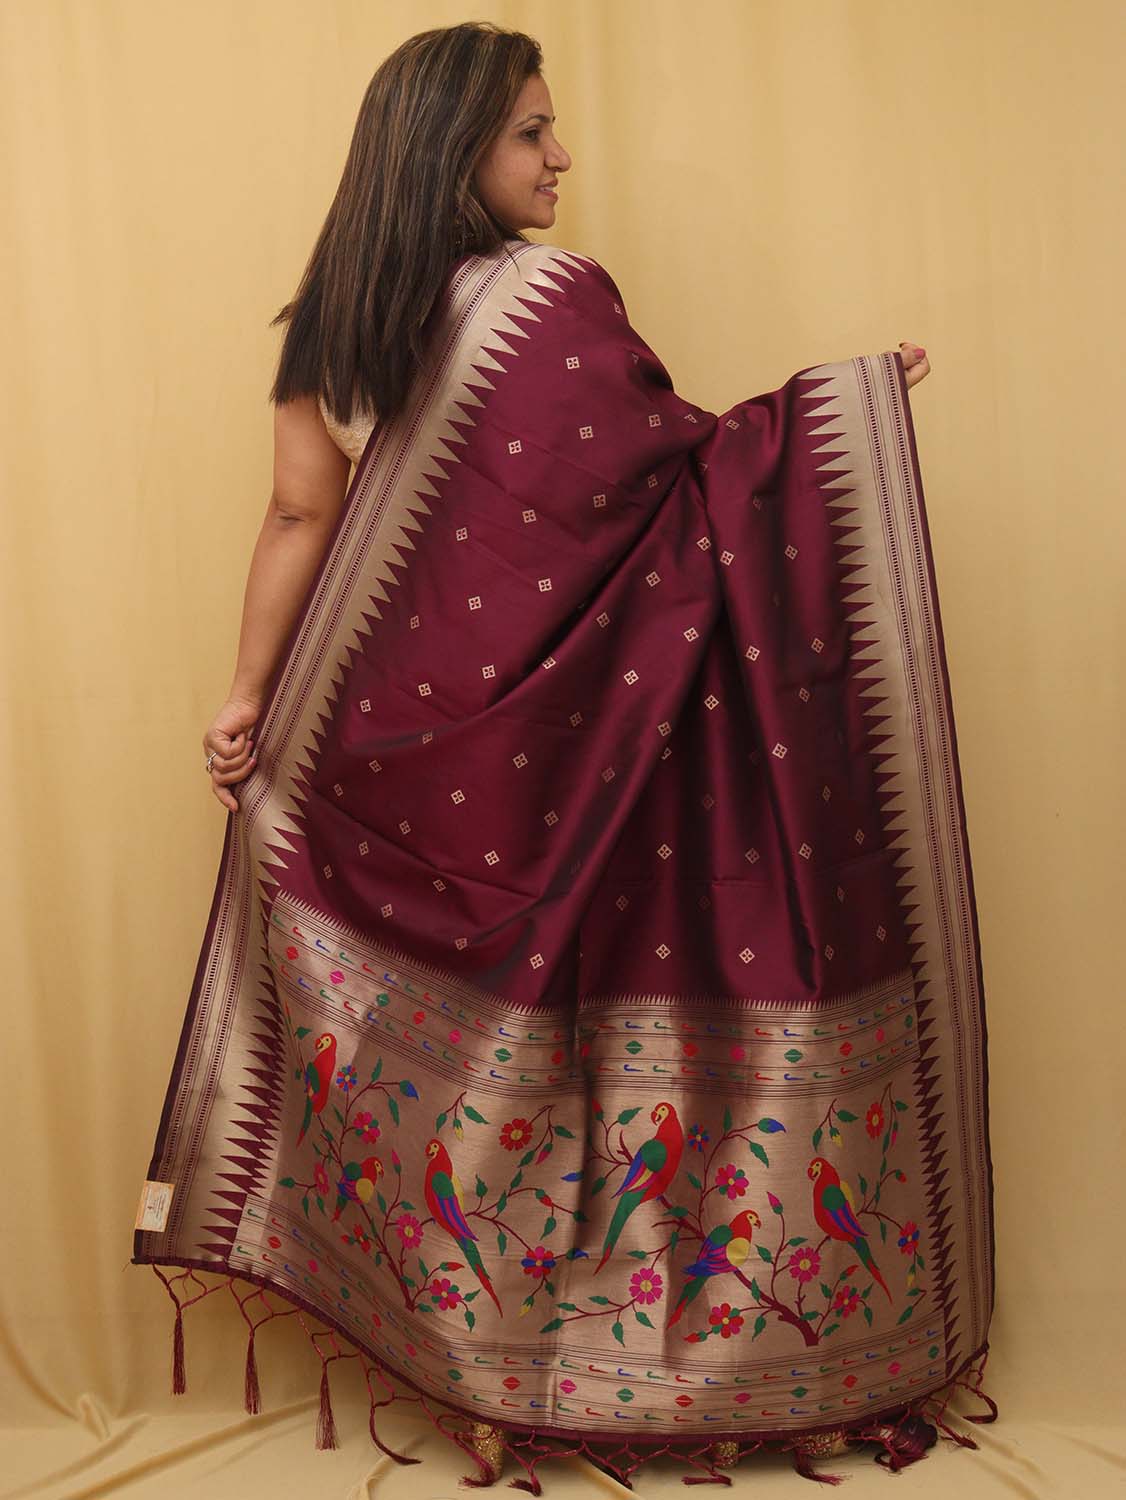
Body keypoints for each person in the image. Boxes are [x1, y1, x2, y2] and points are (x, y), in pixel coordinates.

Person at [138, 21, 996, 1492]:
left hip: (398, 755)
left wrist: (248, 696)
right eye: (532, 132)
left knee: (462, 1064)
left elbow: (299, 516)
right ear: (453, 147)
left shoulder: (331, 325)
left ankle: (476, 1381)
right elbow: (688, 484)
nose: (561, 159)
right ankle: (603, 1369)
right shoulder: (548, 299)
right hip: (561, 753)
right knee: (573, 1047)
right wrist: (836, 417)